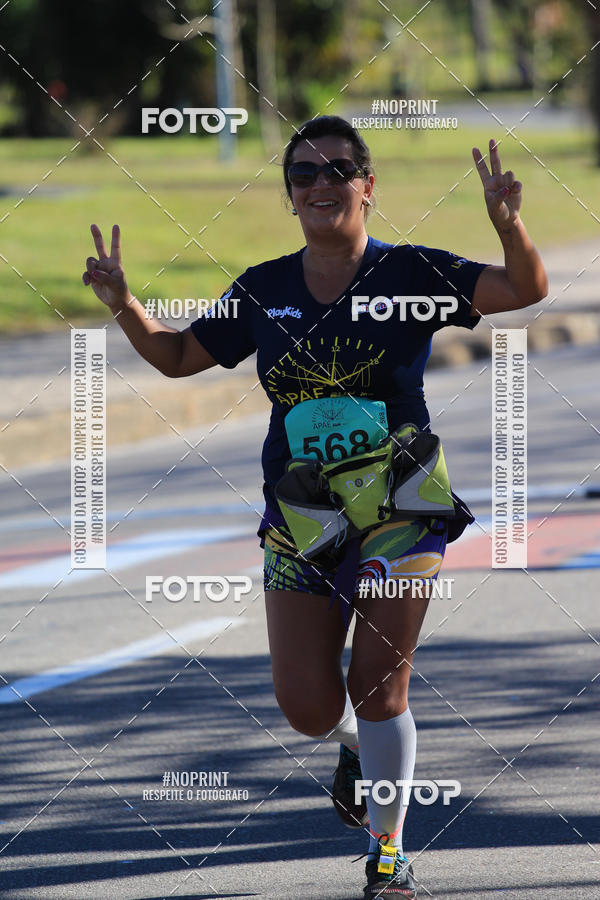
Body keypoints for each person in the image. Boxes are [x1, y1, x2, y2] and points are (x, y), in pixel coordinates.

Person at [82, 115, 547, 898]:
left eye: (338, 169)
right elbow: (176, 357)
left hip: (402, 503)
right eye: (303, 174)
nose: (321, 183)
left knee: (379, 687)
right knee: (305, 706)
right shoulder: (263, 290)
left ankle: (389, 851)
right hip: (300, 513)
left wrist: (510, 224)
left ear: (368, 186)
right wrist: (126, 304)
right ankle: (357, 749)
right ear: (290, 195)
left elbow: (525, 290)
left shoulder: (412, 274)